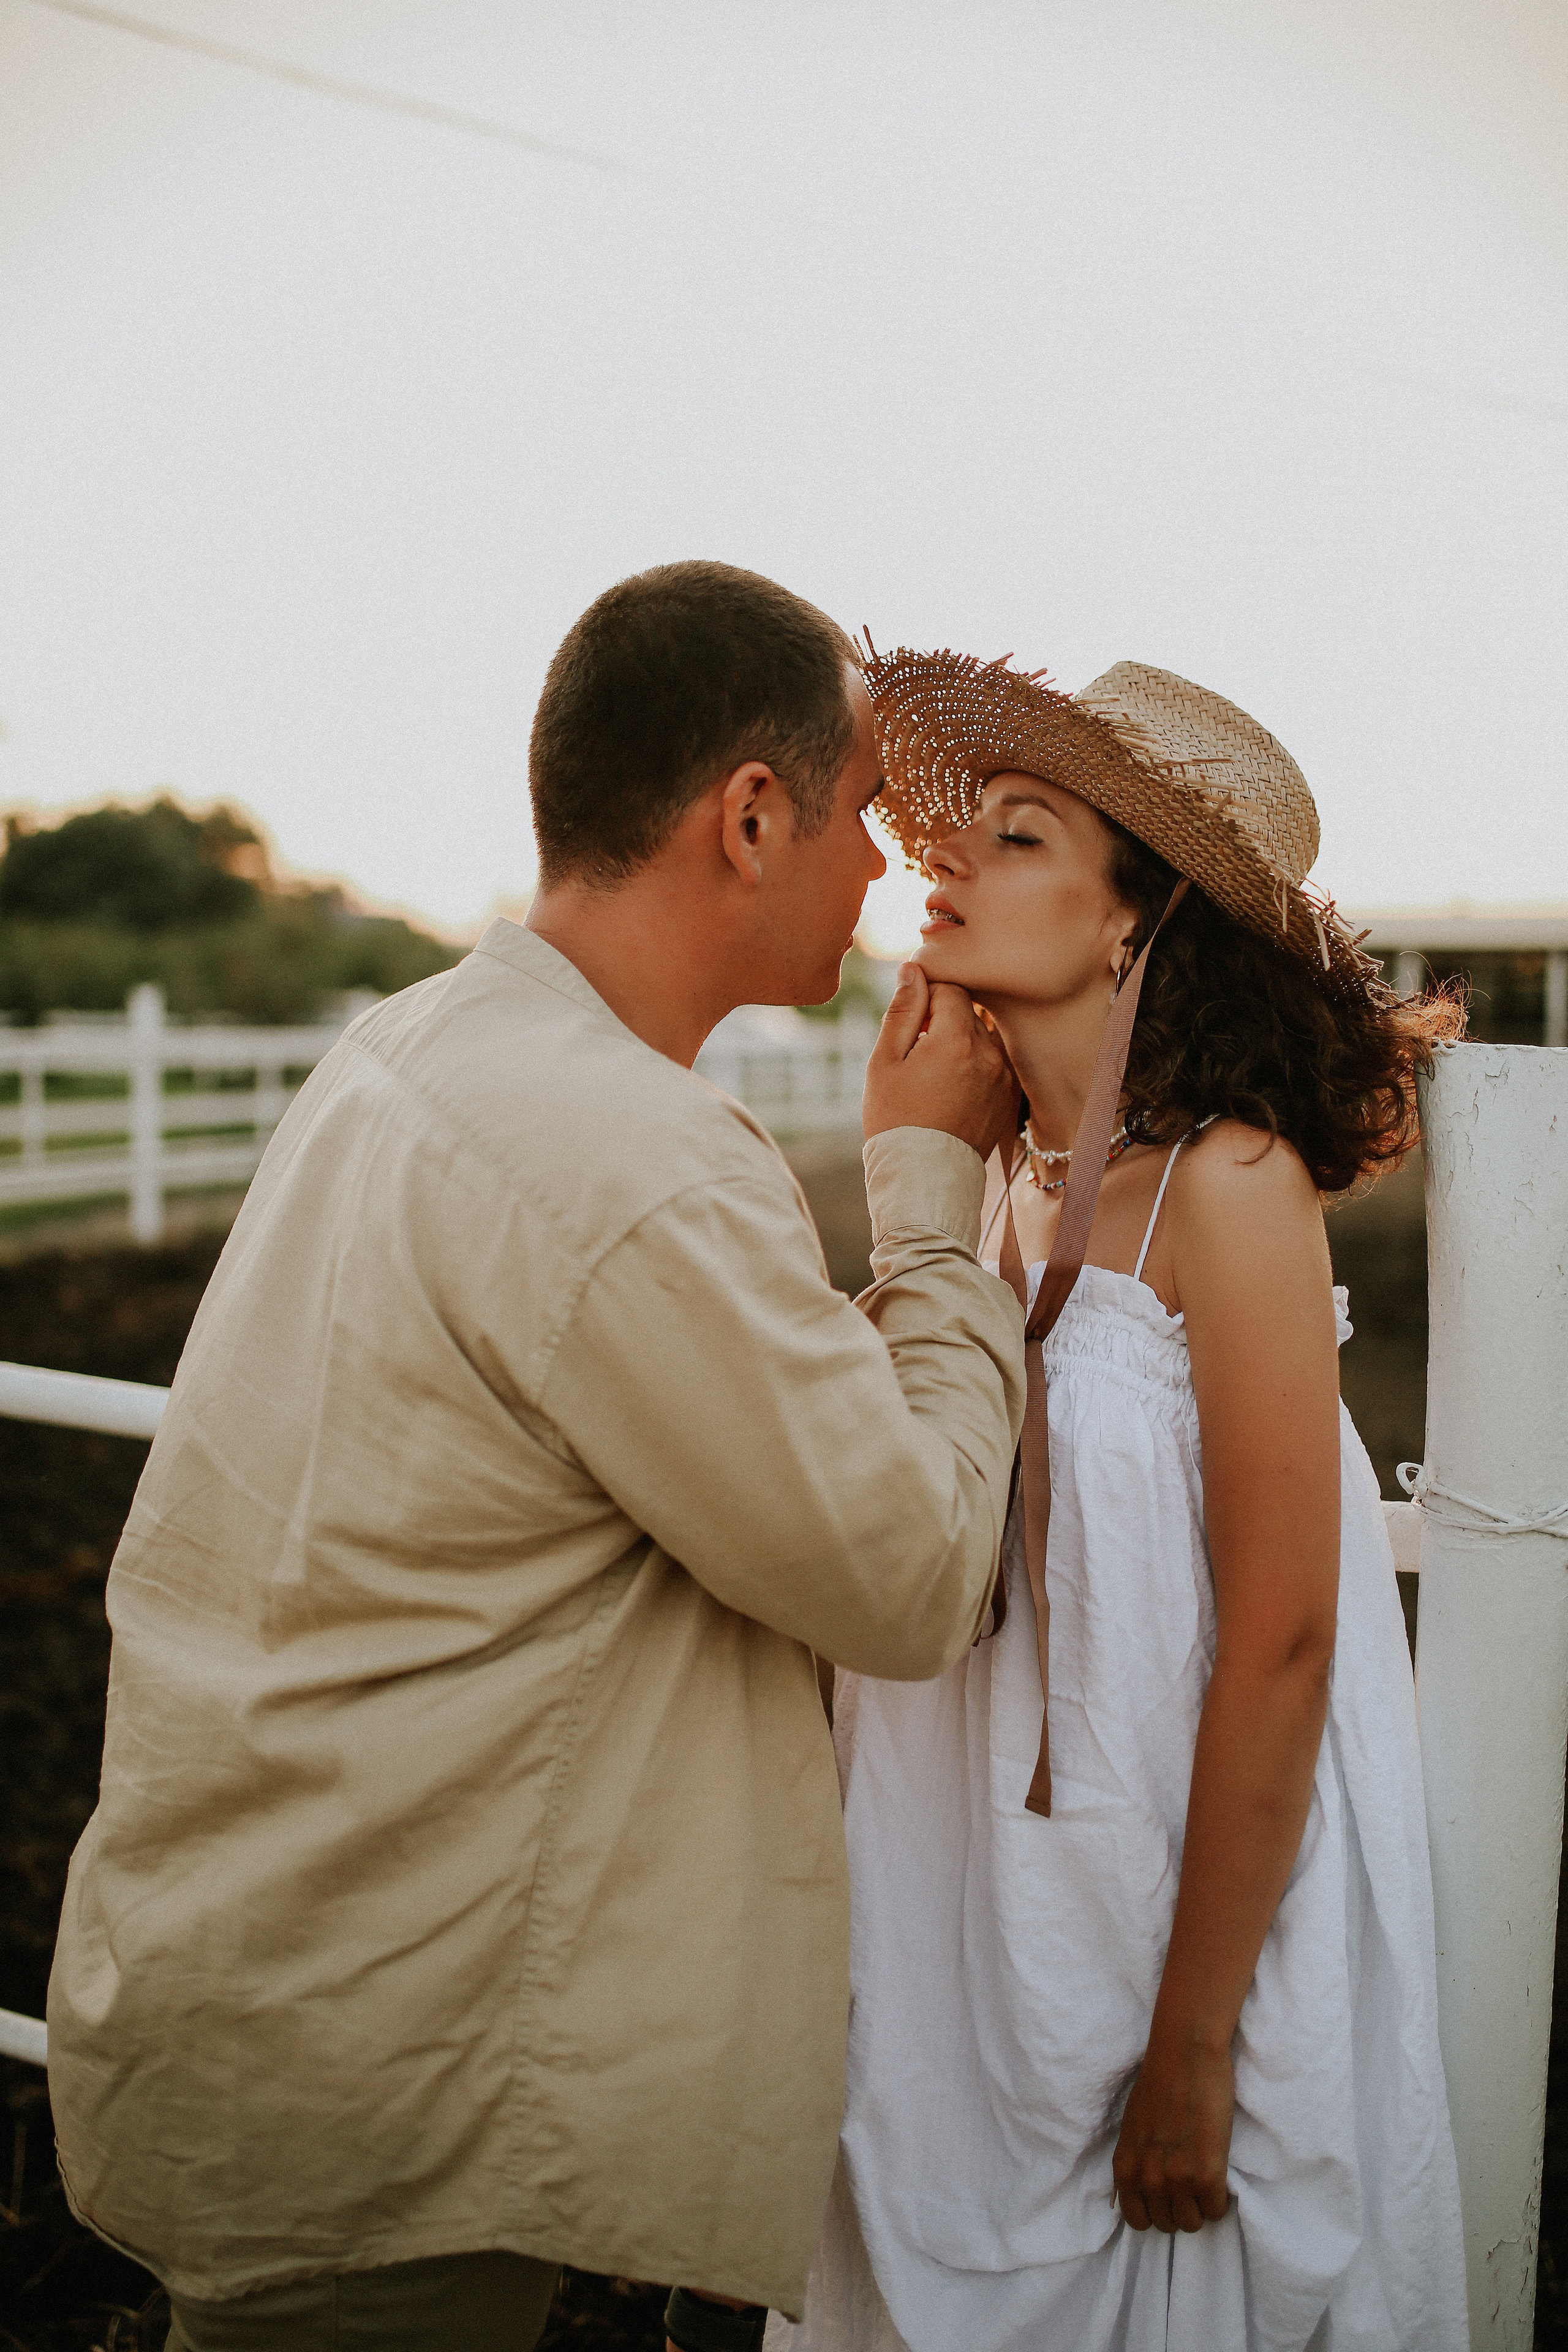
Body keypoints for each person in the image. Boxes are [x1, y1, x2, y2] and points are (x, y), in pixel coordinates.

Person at [45, 564, 1028, 2352]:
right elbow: (908, 1575)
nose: (888, 867)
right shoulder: (628, 1153)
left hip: (259, 1987)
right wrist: (934, 1208)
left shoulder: (401, 1049)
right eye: (866, 812)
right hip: (384, 2081)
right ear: (750, 816)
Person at [766, 652, 1469, 2351]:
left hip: (1173, 1877)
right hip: (981, 1887)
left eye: (1013, 839)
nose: (948, 864)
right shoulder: (994, 1183)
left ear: (1130, 928)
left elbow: (1289, 1636)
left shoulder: (1229, 1186)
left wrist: (1196, 2041)